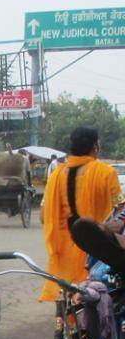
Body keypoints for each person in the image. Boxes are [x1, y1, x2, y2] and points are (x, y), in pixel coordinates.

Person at [39, 126, 123, 302]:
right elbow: (120, 211)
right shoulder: (106, 173)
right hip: (94, 247)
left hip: (63, 251)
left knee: (65, 297)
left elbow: (42, 215)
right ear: (95, 147)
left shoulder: (56, 175)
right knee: (91, 298)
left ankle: (61, 325)